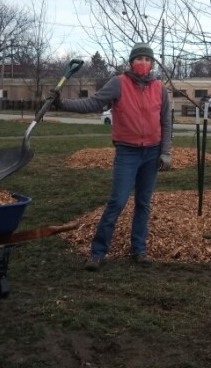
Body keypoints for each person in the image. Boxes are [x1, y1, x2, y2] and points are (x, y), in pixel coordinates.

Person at [54, 43, 172, 270]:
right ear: (131, 62)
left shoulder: (160, 88)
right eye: (139, 59)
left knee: (143, 203)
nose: (143, 64)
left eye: (147, 60)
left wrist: (166, 152)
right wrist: (62, 103)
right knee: (117, 202)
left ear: (152, 63)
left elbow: (166, 122)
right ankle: (97, 253)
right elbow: (93, 102)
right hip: (127, 152)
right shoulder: (118, 83)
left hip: (152, 153)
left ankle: (138, 250)